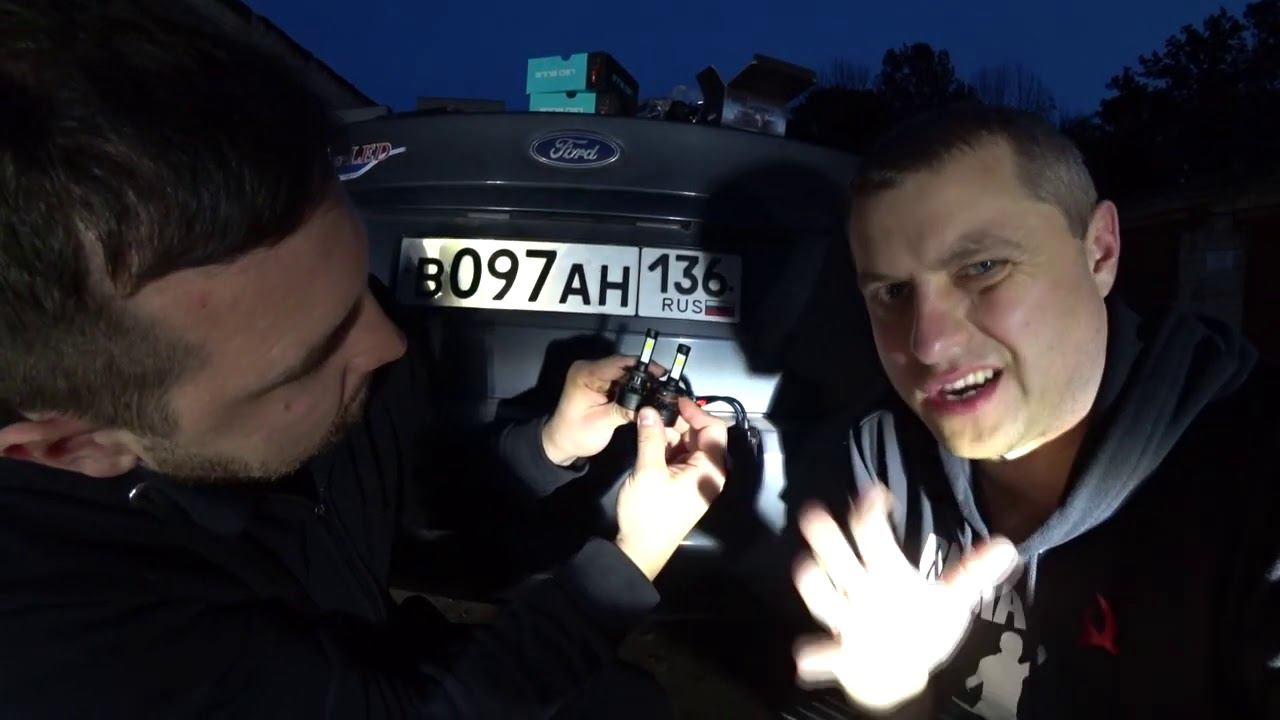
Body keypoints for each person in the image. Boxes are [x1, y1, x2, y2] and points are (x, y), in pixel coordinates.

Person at [0, 2, 728, 717]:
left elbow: (407, 501)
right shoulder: (79, 652)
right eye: (309, 359)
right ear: (75, 447)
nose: (389, 347)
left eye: (363, 290)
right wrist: (630, 558)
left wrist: (548, 445)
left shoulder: (309, 363)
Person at [785, 104, 1280, 718]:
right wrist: (892, 698)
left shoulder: (1257, 479)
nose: (928, 343)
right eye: (893, 292)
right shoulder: (881, 466)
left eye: (983, 268)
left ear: (1100, 252)